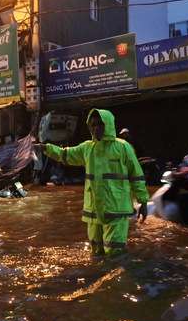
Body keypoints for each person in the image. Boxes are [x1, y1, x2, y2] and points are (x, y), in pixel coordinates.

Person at [34, 108, 149, 257]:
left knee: (115, 253)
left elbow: (137, 177)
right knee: (96, 253)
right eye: (93, 125)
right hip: (94, 210)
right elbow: (65, 154)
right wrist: (45, 148)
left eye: (100, 125)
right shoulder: (87, 149)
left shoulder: (123, 148)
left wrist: (143, 202)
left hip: (116, 209)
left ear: (108, 125)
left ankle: (117, 279)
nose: (96, 128)